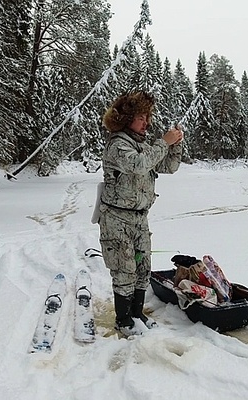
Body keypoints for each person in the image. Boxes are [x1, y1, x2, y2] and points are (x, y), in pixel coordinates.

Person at [98, 91, 183, 336]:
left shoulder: (143, 145)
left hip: (139, 218)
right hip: (117, 219)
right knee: (124, 270)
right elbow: (138, 165)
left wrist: (175, 146)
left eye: (148, 117)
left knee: (142, 268)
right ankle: (123, 320)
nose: (146, 122)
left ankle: (137, 314)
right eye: (141, 117)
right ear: (126, 119)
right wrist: (163, 142)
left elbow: (168, 166)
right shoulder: (118, 144)